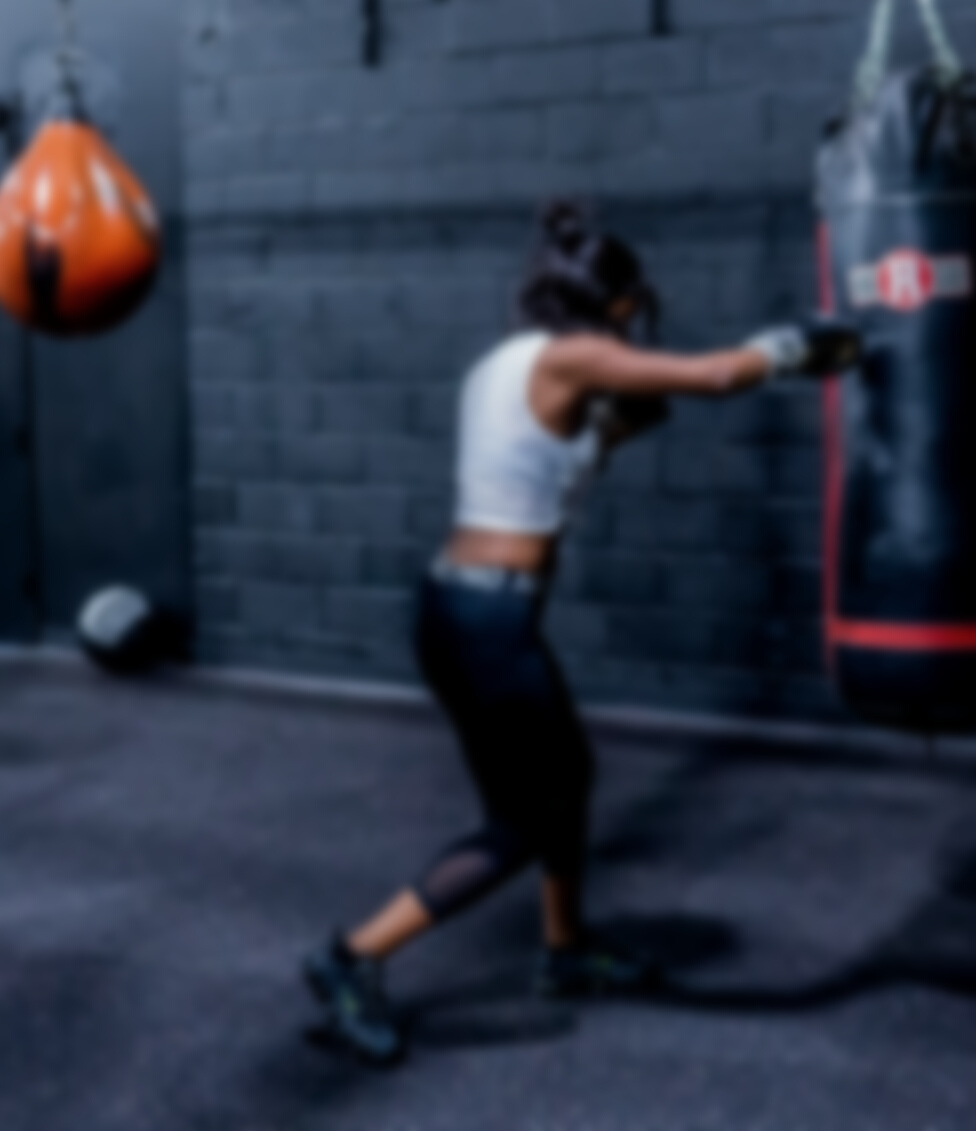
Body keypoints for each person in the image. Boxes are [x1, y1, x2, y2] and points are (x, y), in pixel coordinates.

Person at [302, 202, 860, 1065]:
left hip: (460, 609)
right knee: (520, 825)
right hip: (487, 619)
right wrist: (796, 345)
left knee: (567, 778)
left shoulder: (507, 364)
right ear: (621, 304)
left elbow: (593, 439)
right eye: (634, 311)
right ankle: (350, 959)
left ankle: (564, 952)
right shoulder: (573, 353)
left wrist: (622, 407)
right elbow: (713, 377)